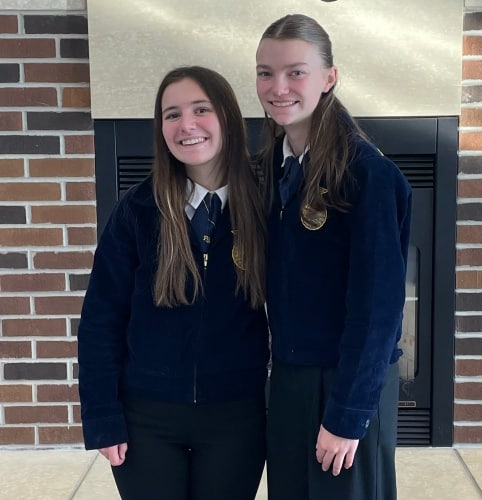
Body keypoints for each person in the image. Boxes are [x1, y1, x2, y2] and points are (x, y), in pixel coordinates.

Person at [78, 66, 269, 500]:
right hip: (145, 421)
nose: (187, 125)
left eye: (201, 109)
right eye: (172, 114)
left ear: (227, 117)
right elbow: (100, 321)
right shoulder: (137, 210)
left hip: (236, 418)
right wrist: (102, 416)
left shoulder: (265, 204)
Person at [255, 14, 412, 500]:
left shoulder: (367, 174)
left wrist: (347, 415)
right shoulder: (272, 168)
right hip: (289, 379)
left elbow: (378, 309)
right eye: (265, 73)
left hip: (346, 381)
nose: (278, 87)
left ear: (329, 77)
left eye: (296, 72)